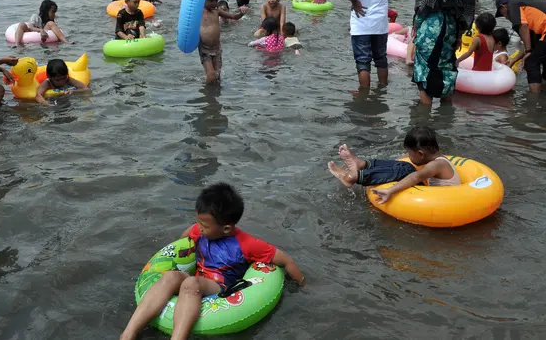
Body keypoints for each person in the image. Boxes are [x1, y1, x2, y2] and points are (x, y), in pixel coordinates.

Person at [120, 182, 305, 340]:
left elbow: (285, 260)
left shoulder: (247, 244)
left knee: (191, 283)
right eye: (198, 223)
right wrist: (184, 251)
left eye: (204, 226)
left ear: (226, 228)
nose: (198, 228)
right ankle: (128, 334)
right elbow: (185, 240)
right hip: (199, 278)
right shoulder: (198, 231)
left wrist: (301, 284)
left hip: (221, 288)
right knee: (171, 277)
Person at [411, 0, 475, 105]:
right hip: (453, 30)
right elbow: (468, 9)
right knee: (447, 68)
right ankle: (445, 119)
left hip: (434, 27)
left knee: (425, 73)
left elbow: (423, 3)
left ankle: (424, 118)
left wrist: (415, 27)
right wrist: (460, 34)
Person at [327, 126, 461, 204]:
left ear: (420, 154)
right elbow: (404, 162)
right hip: (437, 195)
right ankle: (362, 164)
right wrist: (393, 164)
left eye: (409, 153)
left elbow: (415, 177)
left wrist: (390, 191)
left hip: (441, 202)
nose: (408, 156)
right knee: (401, 164)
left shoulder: (436, 165)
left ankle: (354, 177)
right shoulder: (438, 159)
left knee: (405, 168)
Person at [199, 0, 248, 84]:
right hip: (204, 49)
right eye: (211, 0)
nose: (214, 3)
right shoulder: (199, 12)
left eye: (216, 0)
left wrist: (241, 13)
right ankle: (208, 94)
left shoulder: (217, 11)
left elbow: (233, 16)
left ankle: (216, 94)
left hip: (217, 48)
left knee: (217, 75)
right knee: (211, 74)